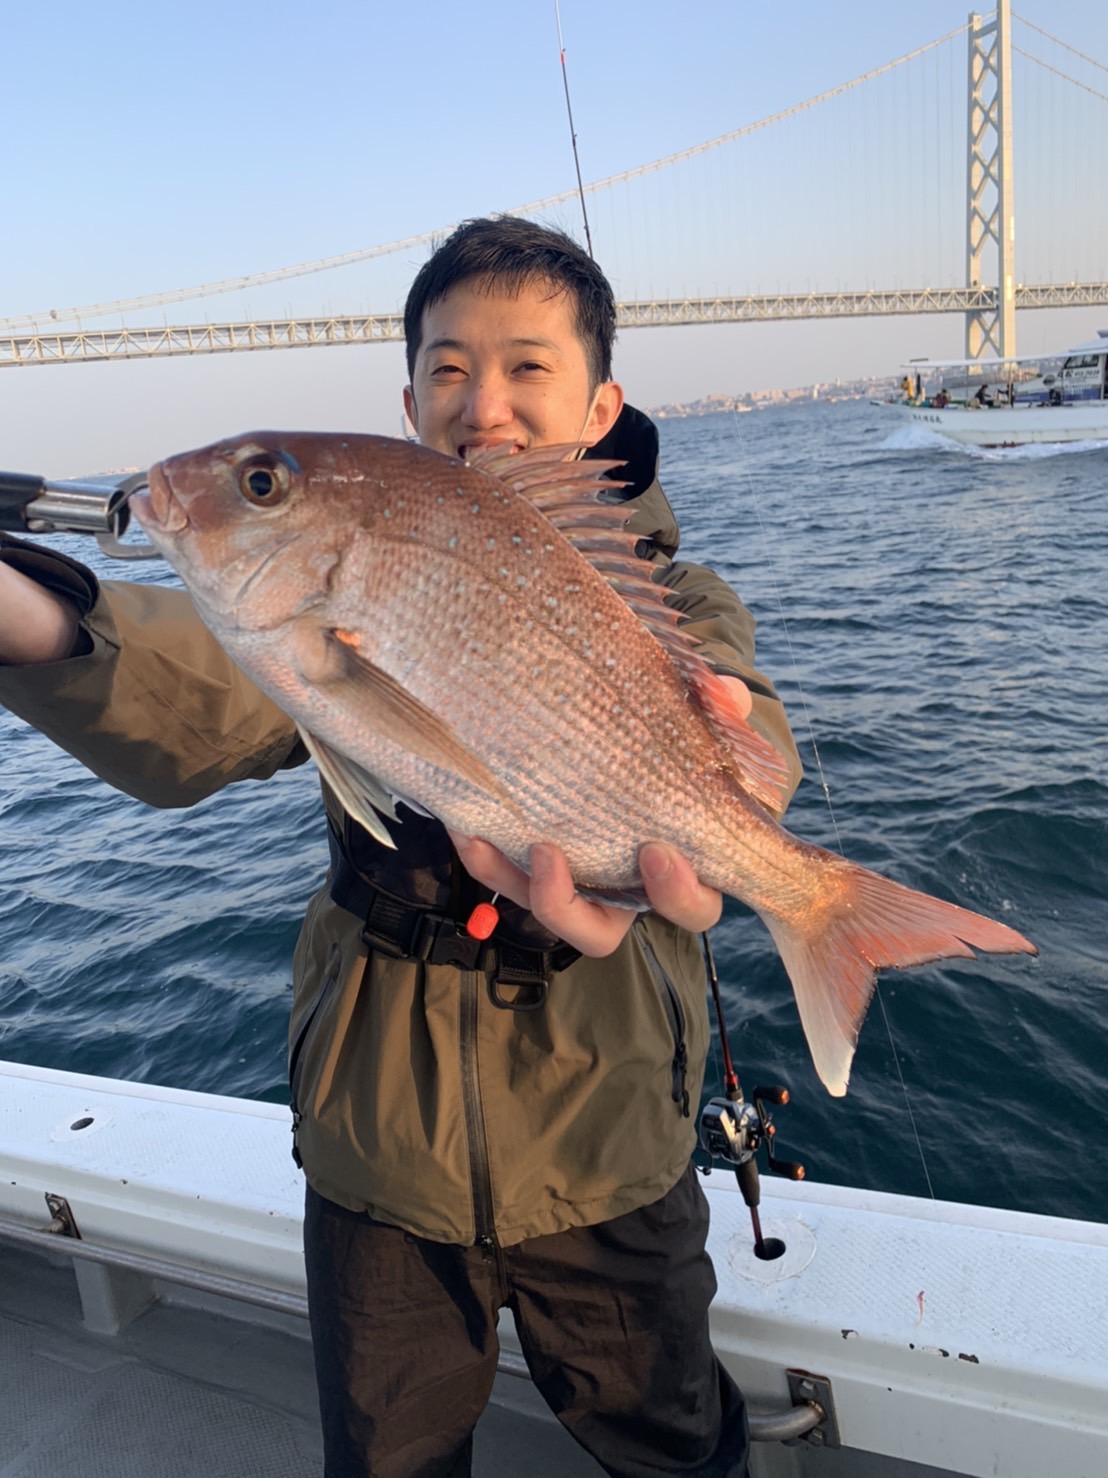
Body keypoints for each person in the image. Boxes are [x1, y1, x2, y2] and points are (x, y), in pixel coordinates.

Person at [0, 217, 800, 1478]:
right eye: (446, 368)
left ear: (601, 403)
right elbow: (202, 689)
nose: (484, 404)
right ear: (410, 401)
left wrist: (749, 805)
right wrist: (33, 622)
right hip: (380, 1149)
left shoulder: (677, 598)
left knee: (673, 1444)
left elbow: (743, 721)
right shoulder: (344, 575)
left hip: (609, 1135)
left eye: (527, 366)